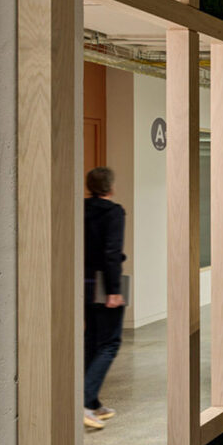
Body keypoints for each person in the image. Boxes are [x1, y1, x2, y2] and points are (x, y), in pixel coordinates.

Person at [83, 167, 127, 430]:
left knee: (91, 341)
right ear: (110, 187)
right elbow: (112, 252)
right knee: (110, 343)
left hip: (84, 284)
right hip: (104, 285)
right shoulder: (113, 212)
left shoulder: (81, 210)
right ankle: (85, 404)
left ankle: (92, 400)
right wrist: (114, 290)